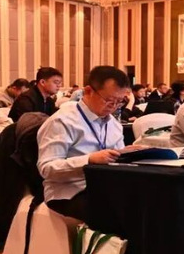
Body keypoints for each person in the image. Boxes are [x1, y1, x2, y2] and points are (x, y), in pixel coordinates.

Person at [36, 66, 130, 220]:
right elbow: (47, 169)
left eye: (119, 102)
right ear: (88, 91)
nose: (113, 106)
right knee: (118, 212)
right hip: (68, 192)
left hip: (105, 187)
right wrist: (89, 160)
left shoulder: (113, 124)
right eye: (109, 100)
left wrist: (129, 155)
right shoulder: (63, 121)